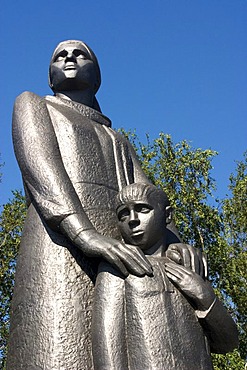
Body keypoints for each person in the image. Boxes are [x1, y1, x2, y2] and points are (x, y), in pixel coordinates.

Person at [7, 40, 205, 369]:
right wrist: (86, 235)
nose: (69, 57)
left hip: (117, 256)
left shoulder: (118, 140)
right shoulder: (35, 105)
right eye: (60, 56)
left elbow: (148, 196)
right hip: (58, 248)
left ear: (97, 75)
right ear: (50, 76)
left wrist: (175, 244)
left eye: (79, 53)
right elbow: (41, 170)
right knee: (57, 348)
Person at [92, 183, 239, 370]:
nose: (132, 220)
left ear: (167, 215)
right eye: (124, 214)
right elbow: (108, 343)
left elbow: (228, 342)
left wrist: (205, 296)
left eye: (142, 209)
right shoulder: (117, 269)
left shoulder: (188, 266)